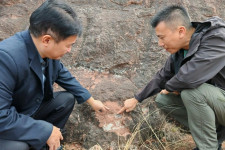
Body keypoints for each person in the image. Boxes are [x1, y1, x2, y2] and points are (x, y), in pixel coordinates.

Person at [0, 0, 109, 150]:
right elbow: (1, 117)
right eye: (68, 45)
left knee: (65, 100)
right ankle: (41, 139)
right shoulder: (6, 58)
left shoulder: (44, 51)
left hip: (24, 112)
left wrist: (92, 101)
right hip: (6, 122)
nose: (69, 50)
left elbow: (64, 75)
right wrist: (45, 130)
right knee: (18, 146)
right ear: (47, 40)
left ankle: (48, 145)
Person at [118, 5, 225, 150]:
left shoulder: (216, 38)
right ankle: (214, 138)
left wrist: (171, 87)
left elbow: (189, 77)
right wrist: (137, 98)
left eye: (162, 37)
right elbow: (162, 76)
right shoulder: (181, 51)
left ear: (181, 31)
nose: (160, 44)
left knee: (192, 93)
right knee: (164, 100)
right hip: (218, 103)